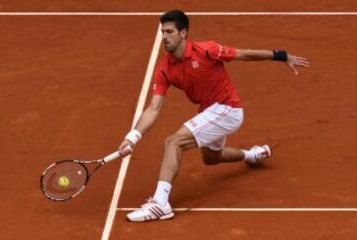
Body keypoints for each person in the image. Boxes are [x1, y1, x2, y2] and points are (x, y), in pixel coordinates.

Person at [118, 10, 309, 222]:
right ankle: (252, 155)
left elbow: (244, 55)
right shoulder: (165, 69)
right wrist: (133, 136)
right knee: (211, 158)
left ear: (183, 33)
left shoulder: (207, 50)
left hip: (227, 109)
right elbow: (153, 108)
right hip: (210, 111)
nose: (164, 36)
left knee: (174, 142)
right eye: (162, 31)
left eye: (169, 31)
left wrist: (280, 55)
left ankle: (161, 203)